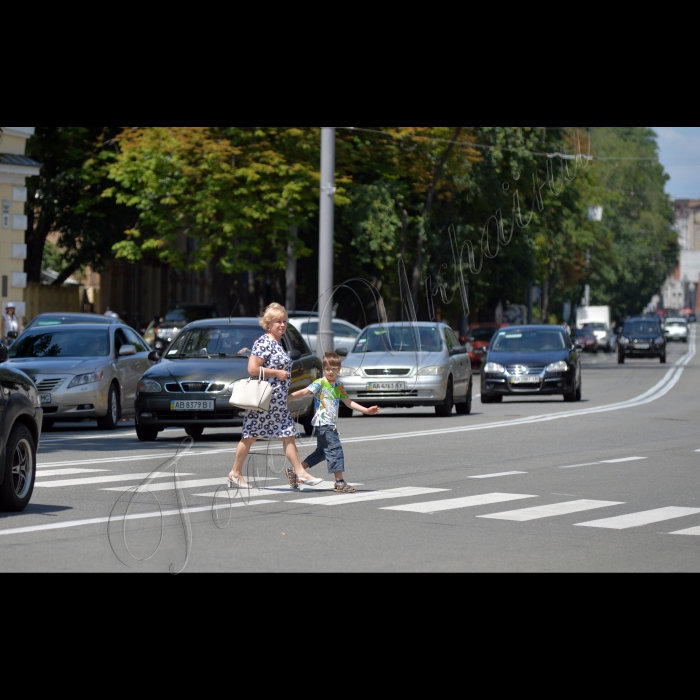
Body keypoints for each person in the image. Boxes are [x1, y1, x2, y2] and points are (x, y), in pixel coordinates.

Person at [227, 303, 322, 489]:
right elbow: (252, 369)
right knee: (251, 436)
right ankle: (235, 473)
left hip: (277, 400)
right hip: (265, 400)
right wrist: (277, 373)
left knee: (288, 434)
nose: (282, 325)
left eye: (284, 321)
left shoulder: (278, 342)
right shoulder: (264, 342)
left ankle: (299, 473)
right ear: (268, 323)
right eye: (278, 321)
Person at [287, 352, 379, 493]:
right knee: (335, 451)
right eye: (328, 368)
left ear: (339, 369)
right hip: (324, 424)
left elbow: (349, 403)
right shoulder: (320, 383)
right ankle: (339, 482)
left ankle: (296, 471)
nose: (331, 371)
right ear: (324, 369)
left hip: (327, 424)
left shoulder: (338, 386)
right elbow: (305, 391)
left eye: (334, 368)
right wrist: (288, 398)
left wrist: (366, 410)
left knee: (322, 453)